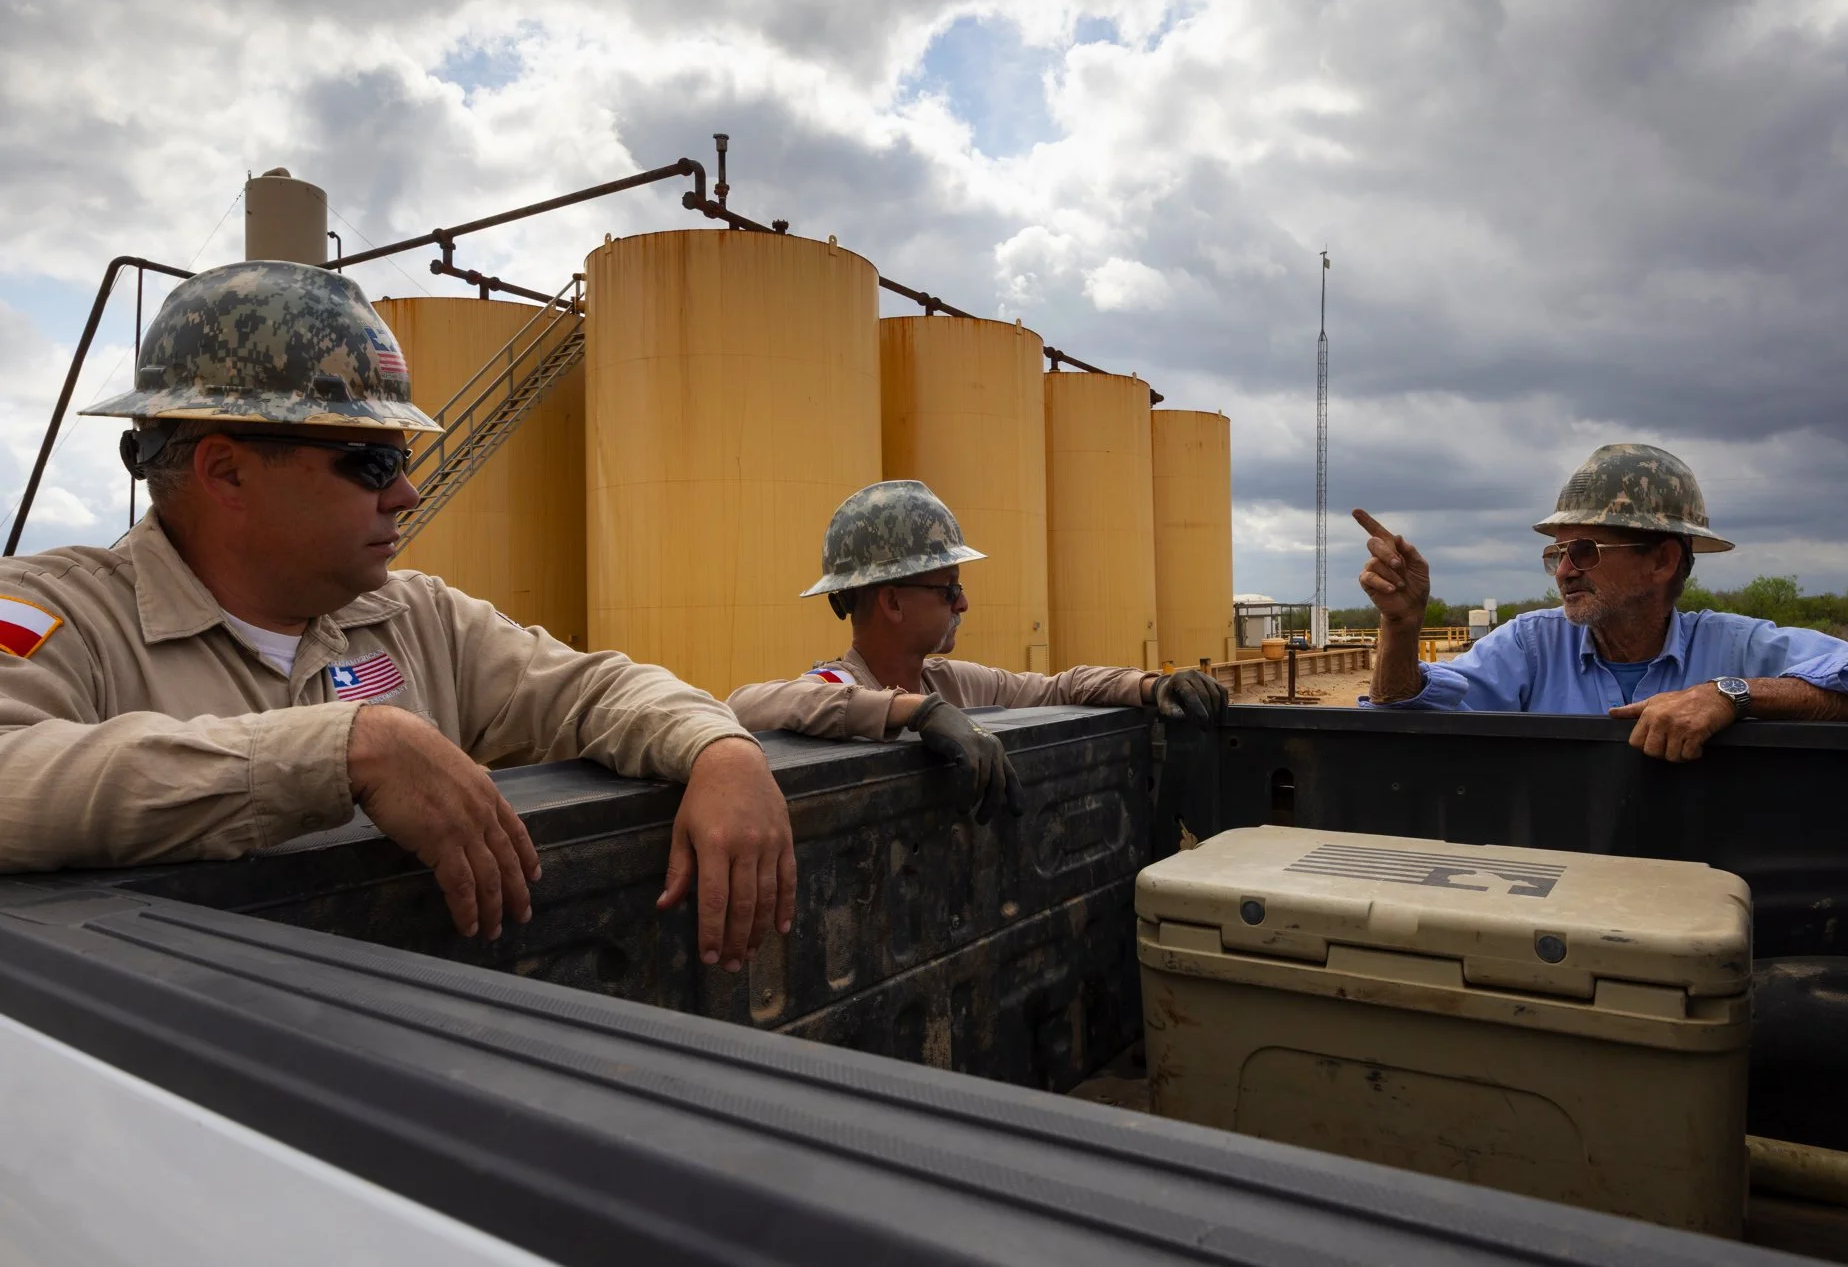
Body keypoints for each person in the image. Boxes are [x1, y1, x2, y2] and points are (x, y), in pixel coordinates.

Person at [0, 261, 792, 972]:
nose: (405, 493)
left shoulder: (413, 618)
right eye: (372, 461)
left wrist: (721, 749)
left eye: (402, 460)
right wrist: (338, 751)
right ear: (227, 470)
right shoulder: (57, 614)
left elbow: (593, 691)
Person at [1352, 443, 1848, 762]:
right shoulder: (1531, 644)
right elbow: (1402, 722)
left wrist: (1733, 695)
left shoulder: (1736, 647)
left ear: (1662, 561)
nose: (1563, 571)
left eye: (1583, 550)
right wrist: (1400, 629)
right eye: (1556, 554)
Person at [727, 480, 1228, 820]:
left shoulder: (949, 681)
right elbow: (744, 704)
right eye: (947, 587)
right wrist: (918, 713)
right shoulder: (837, 687)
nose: (963, 601)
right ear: (893, 601)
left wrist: (1151, 685)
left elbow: (1059, 685)